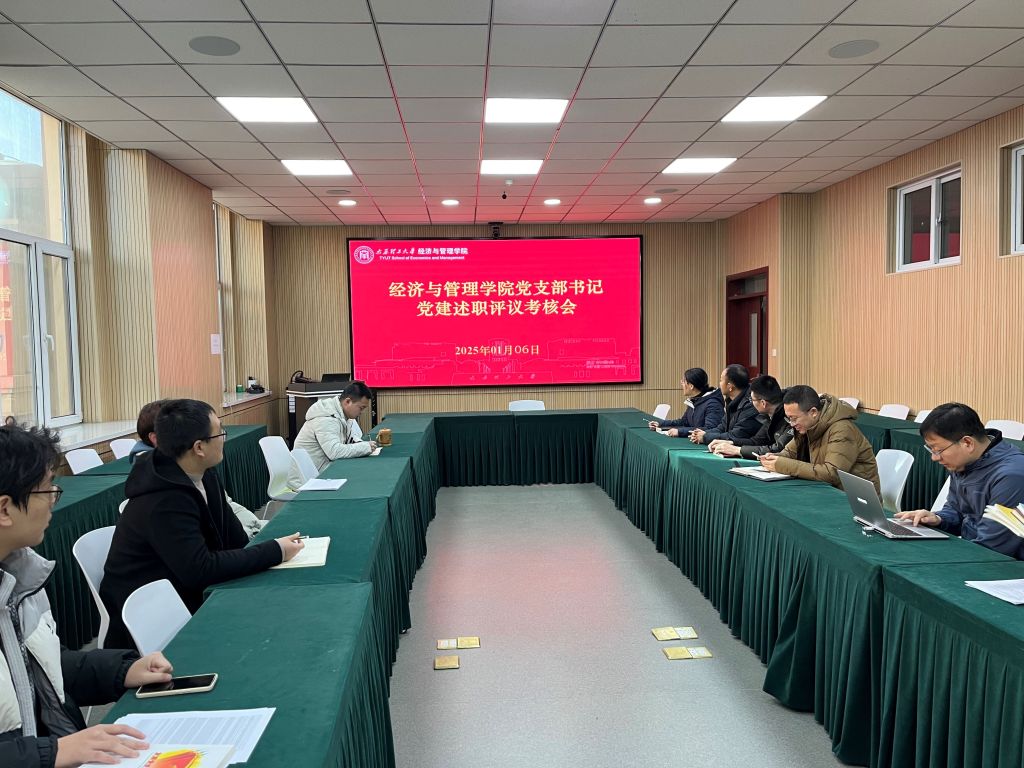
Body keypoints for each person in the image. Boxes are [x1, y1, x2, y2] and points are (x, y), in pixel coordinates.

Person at [0, 422, 175, 768]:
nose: (53, 502)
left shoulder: (20, 575)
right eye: (47, 490)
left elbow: (41, 667)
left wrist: (123, 670)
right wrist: (54, 752)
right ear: (5, 509)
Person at [101, 399, 304, 650]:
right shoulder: (163, 500)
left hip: (192, 595)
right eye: (220, 432)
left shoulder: (205, 474)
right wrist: (275, 551)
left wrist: (268, 551)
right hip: (158, 625)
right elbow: (200, 570)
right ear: (199, 447)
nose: (224, 438)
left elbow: (236, 541)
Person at [895, 403, 1024, 558]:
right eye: (931, 450)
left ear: (967, 443)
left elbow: (993, 547)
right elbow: (956, 511)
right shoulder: (965, 462)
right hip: (974, 551)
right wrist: (938, 519)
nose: (934, 458)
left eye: (938, 450)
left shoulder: (1012, 476)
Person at [128, 400, 265, 539]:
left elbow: (228, 512)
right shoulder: (165, 496)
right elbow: (201, 551)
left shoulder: (206, 473)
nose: (223, 439)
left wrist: (255, 530)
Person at [759, 385, 880, 493]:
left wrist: (782, 465)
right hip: (827, 492)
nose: (791, 424)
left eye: (794, 418)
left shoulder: (842, 430)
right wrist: (774, 458)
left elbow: (832, 474)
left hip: (853, 499)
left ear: (813, 412)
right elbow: (789, 453)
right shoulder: (807, 426)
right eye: (788, 418)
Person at [287, 380, 377, 489]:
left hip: (323, 470)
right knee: (360, 477)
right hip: (307, 480)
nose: (362, 412)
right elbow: (334, 452)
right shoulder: (326, 419)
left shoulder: (342, 415)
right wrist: (364, 447)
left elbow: (349, 440)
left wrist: (360, 444)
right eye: (361, 408)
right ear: (348, 402)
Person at [709, 374, 792, 458]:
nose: (751, 403)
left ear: (763, 403)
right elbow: (757, 441)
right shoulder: (771, 415)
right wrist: (731, 442)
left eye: (752, 400)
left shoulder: (790, 417)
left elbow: (777, 450)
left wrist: (737, 450)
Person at [689, 364, 761, 445]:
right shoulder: (731, 401)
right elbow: (722, 427)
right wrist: (703, 433)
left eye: (721, 380)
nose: (719, 384)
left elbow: (736, 435)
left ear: (730, 386)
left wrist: (705, 437)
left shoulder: (751, 404)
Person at [648, 367, 724, 438]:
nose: (681, 383)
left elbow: (710, 429)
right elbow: (684, 422)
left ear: (691, 386)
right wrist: (661, 424)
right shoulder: (695, 400)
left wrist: (680, 432)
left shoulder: (713, 404)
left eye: (684, 381)